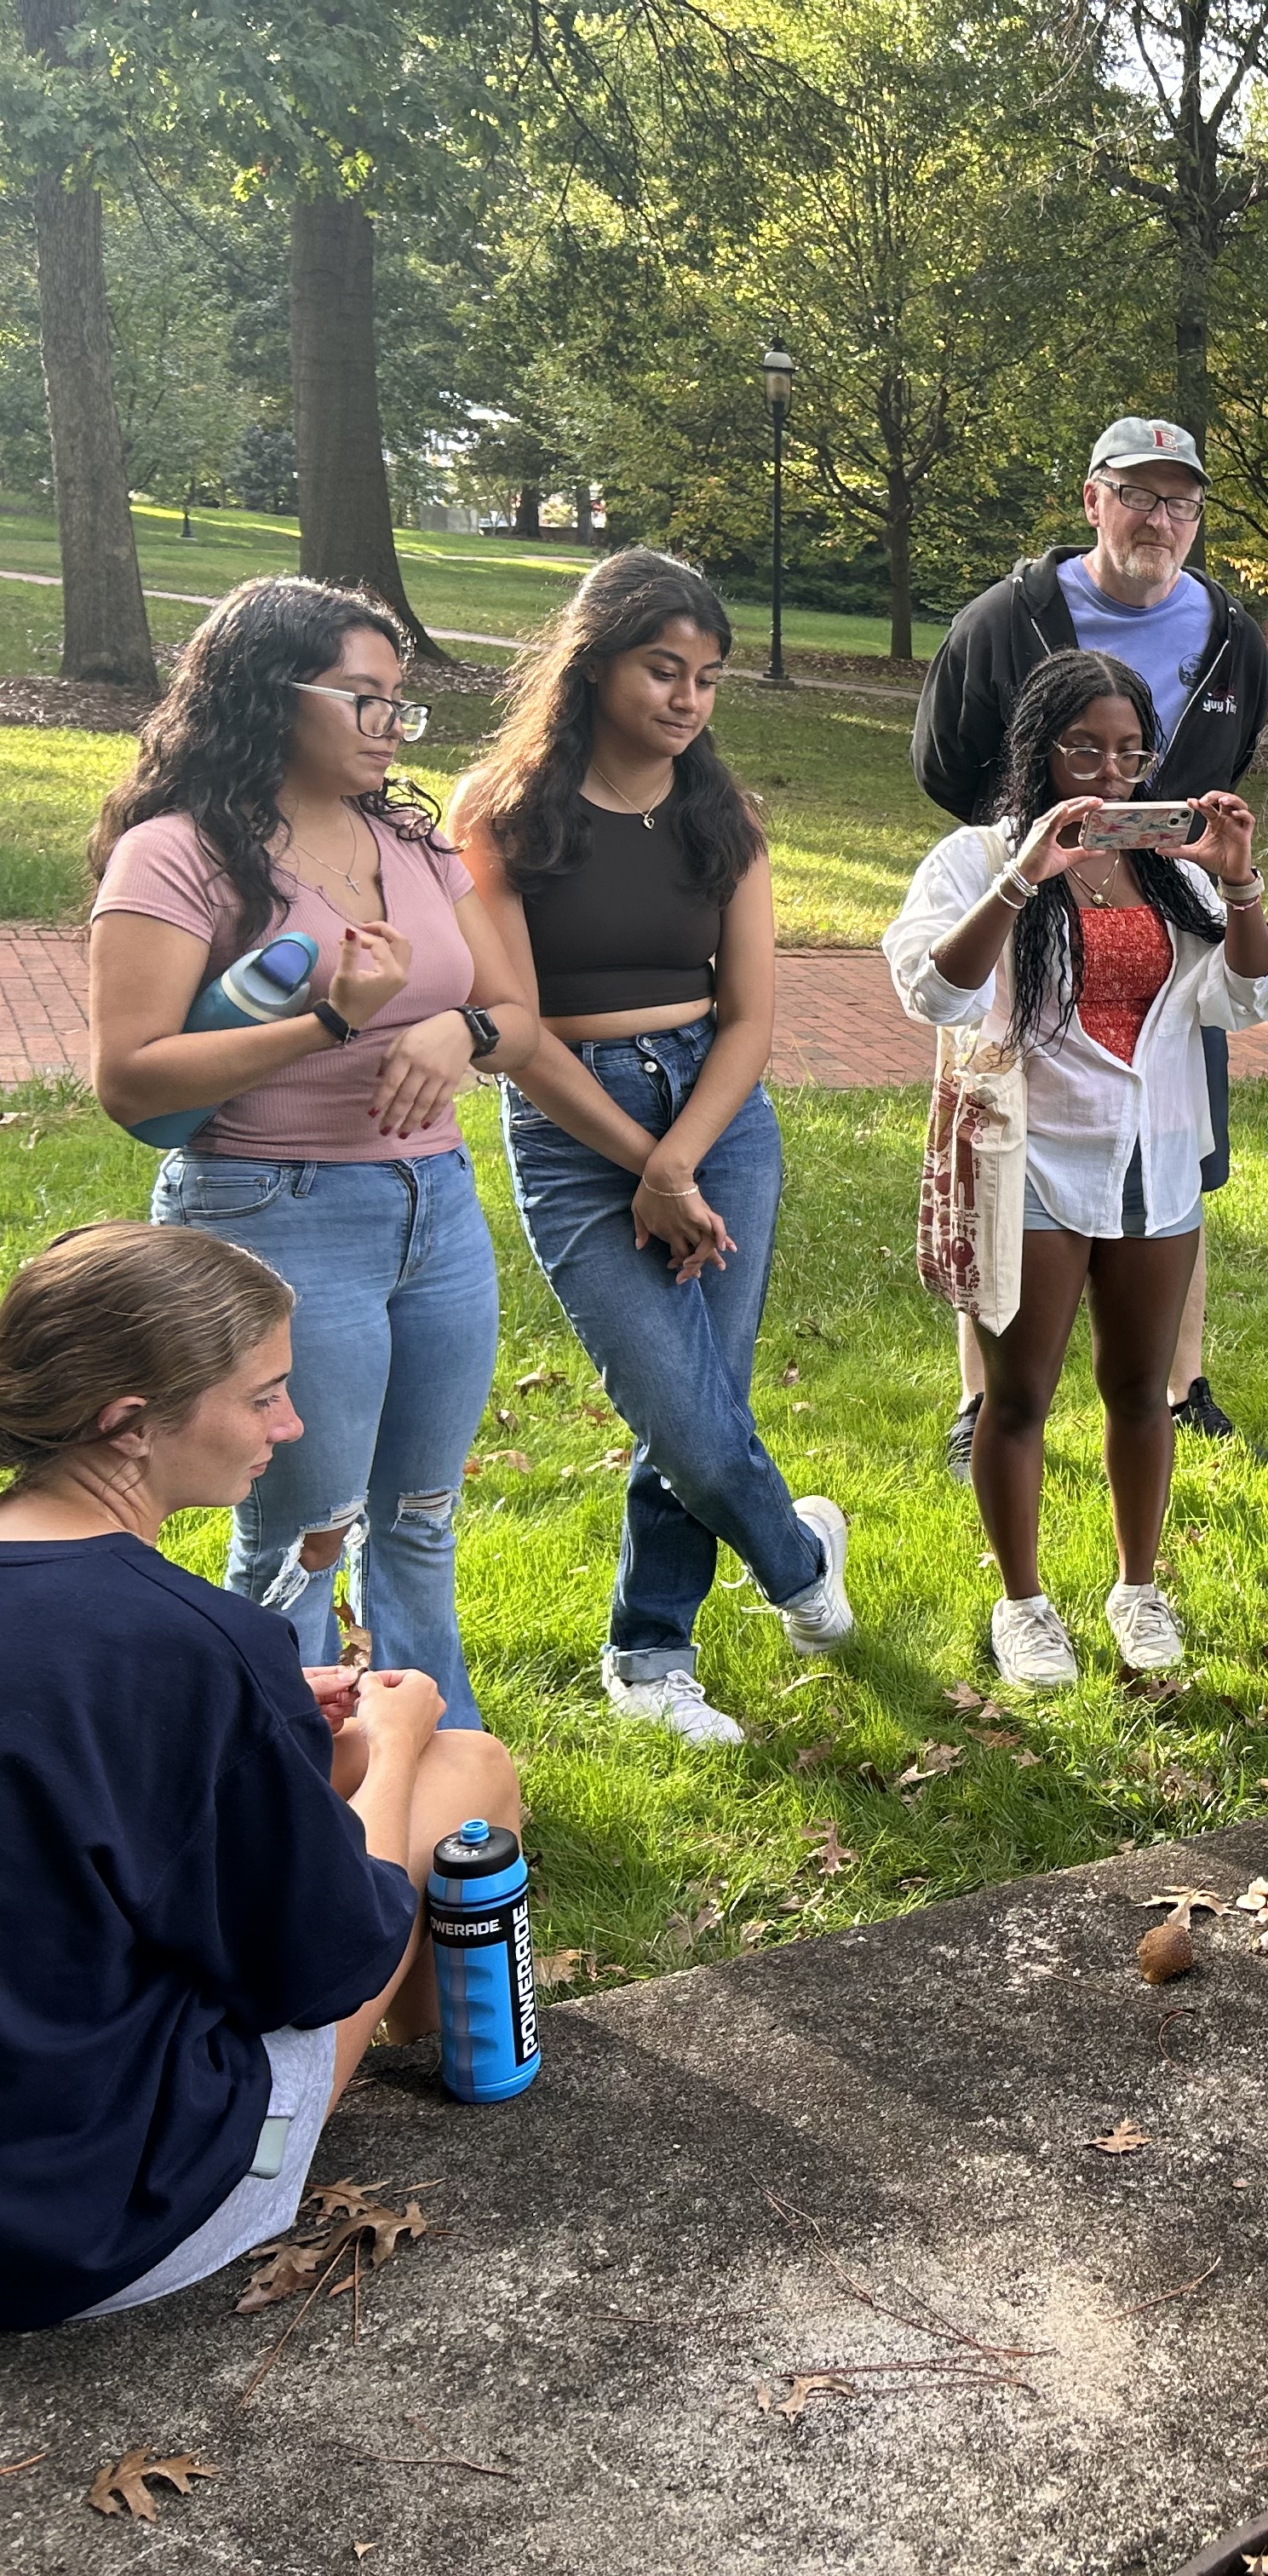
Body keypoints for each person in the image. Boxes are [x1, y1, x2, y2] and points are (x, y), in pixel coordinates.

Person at [0, 1222, 520, 2329]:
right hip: (86, 2230)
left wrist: (275, 1726)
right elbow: (325, 1965)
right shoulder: (194, 1643)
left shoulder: (160, 1648)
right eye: (263, 1396)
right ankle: (460, 2070)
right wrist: (389, 1747)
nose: (289, 1427)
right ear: (129, 1425)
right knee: (463, 1768)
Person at [86, 575, 539, 1722]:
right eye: (365, 700)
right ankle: (289, 1787)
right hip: (270, 1219)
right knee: (304, 1537)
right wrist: (329, 1019)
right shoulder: (177, 854)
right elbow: (128, 1077)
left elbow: (518, 1015)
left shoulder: (413, 844)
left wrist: (458, 1027)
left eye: (400, 704)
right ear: (267, 697)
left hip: (434, 1210)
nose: (392, 728)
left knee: (422, 1521)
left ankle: (441, 1760)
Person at [450, 549, 856, 1747]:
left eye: (708, 678)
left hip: (718, 1118)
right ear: (593, 668)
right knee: (680, 1405)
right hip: (576, 1122)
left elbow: (751, 1019)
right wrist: (644, 1163)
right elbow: (516, 1036)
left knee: (699, 1401)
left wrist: (680, 1161)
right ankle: (800, 1558)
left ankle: (648, 1651)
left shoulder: (722, 815)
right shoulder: (502, 812)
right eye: (662, 670)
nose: (687, 699)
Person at [886, 651, 1268, 1684]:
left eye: (1128, 752)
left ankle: (1137, 1589)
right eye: (1085, 750)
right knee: (1018, 1396)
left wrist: (1237, 879)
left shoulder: (1172, 869)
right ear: (1040, 751)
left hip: (1153, 1155)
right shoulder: (977, 857)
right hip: (1033, 1160)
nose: (1109, 775)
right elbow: (935, 992)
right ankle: (1023, 1603)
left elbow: (1248, 1001)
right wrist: (1029, 874)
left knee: (1141, 1390)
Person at [912, 417, 1268, 1469]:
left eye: (1181, 503)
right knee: (996, 1139)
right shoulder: (1006, 618)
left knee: (1178, 1147)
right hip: (1025, 918)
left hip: (1167, 917)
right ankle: (983, 1394)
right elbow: (946, 761)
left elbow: (1230, 752)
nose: (1160, 520)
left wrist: (1192, 862)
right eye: (1139, 496)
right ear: (1093, 500)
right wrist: (1023, 852)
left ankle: (1181, 1378)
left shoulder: (1231, 635)